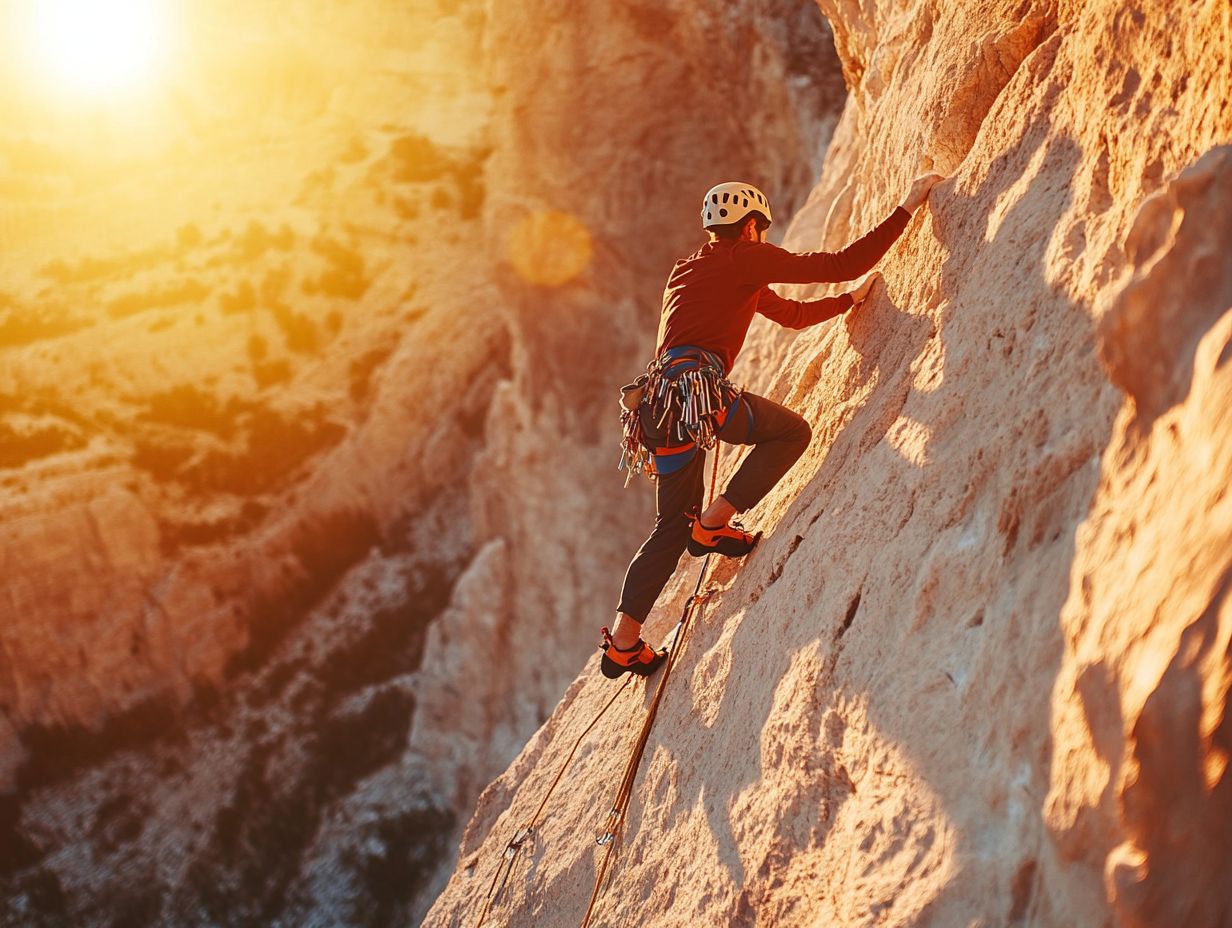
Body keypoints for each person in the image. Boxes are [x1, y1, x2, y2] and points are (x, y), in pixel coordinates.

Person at [600, 173, 945, 679]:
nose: (763, 235)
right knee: (790, 433)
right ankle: (714, 524)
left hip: (658, 405)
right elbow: (840, 263)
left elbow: (789, 314)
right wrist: (907, 206)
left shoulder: (688, 269)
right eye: (760, 227)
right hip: (697, 394)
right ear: (752, 226)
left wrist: (846, 304)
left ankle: (623, 645)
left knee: (668, 527)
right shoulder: (747, 258)